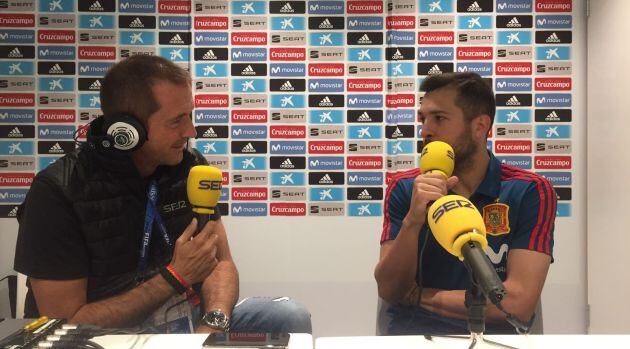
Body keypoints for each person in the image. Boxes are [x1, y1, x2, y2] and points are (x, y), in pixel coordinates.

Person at [14, 55, 311, 334]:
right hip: (108, 335)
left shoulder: (190, 166)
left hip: (188, 321)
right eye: (176, 121)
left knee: (288, 317)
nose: (191, 130)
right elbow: (67, 323)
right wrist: (175, 277)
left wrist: (214, 323)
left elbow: (220, 263)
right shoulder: (59, 191)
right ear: (128, 130)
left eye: (190, 115)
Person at [375, 72, 556, 335]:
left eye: (439, 118)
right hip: (415, 336)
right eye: (423, 119)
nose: (426, 130)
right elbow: (390, 289)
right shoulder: (405, 188)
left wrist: (417, 296)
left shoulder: (530, 191)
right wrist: (413, 221)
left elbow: (516, 304)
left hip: (497, 339)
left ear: (480, 127)